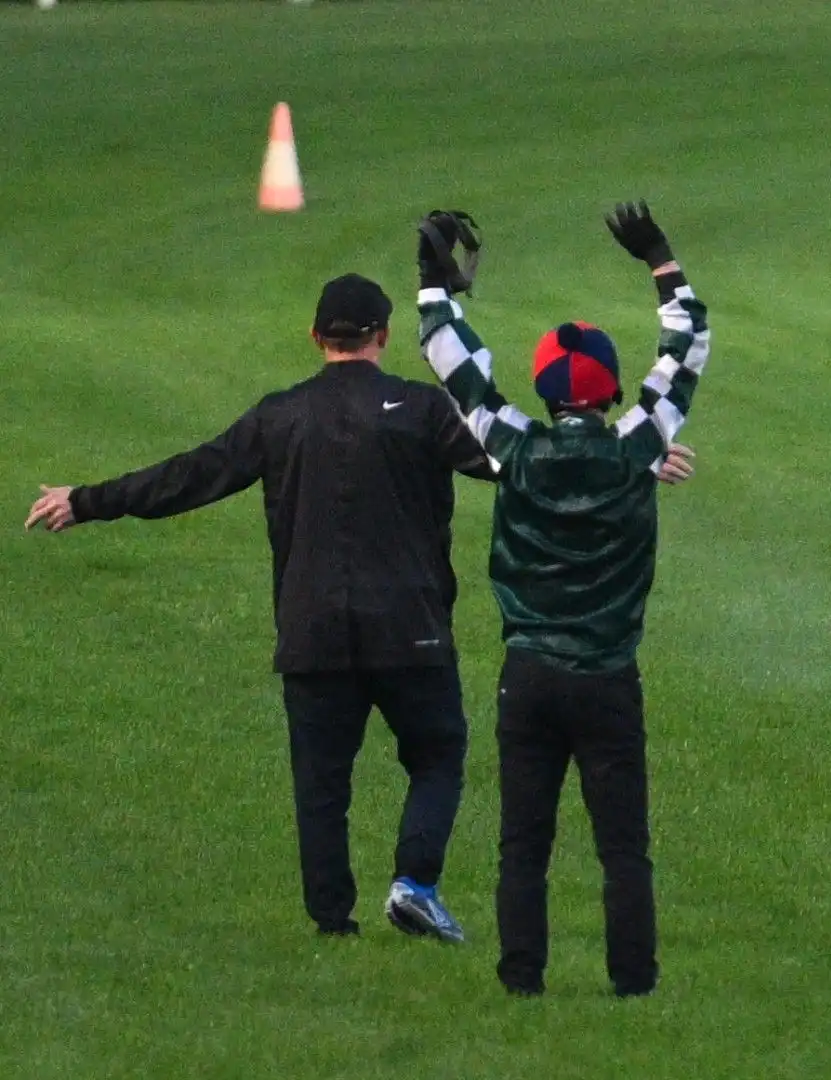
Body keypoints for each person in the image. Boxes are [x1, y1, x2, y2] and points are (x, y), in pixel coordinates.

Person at [24, 274, 501, 942]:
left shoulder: (281, 416)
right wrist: (624, 460)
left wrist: (86, 500)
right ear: (383, 337)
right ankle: (415, 884)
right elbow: (516, 462)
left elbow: (191, 476)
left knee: (321, 784)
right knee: (437, 754)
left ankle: (332, 927)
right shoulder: (423, 410)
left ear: (315, 338)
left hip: (312, 631)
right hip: (409, 626)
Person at [414, 201, 708, 997]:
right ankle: (634, 982)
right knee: (624, 847)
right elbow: (688, 346)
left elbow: (455, 363)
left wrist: (433, 285)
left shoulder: (514, 446)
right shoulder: (640, 445)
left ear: (545, 389)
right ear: (612, 390)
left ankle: (522, 979)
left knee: (522, 846)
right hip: (609, 673)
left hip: (529, 673)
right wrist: (661, 260)